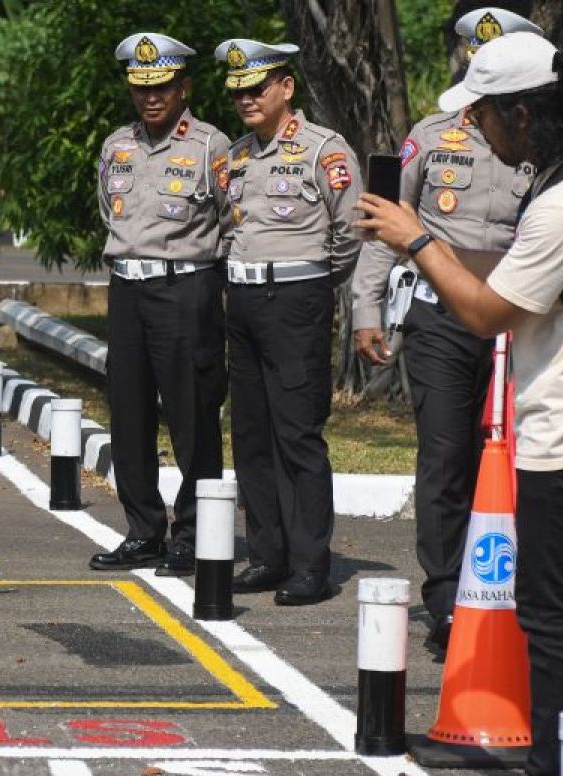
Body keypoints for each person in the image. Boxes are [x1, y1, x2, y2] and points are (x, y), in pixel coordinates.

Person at [357, 32, 563, 776]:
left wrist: (413, 236)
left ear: (521, 114)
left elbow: (487, 312)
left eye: (482, 114)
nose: (475, 130)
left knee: (552, 616)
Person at [350, 6, 541, 654]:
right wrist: (365, 306)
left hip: (520, 322)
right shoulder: (430, 136)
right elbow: (386, 223)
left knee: (523, 459)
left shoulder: (540, 143)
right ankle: (448, 599)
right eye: (469, 54)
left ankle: (515, 592)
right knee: (445, 457)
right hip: (440, 317)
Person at [215, 38, 362, 606]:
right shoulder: (237, 155)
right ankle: (268, 554)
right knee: (250, 434)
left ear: (285, 88)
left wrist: (316, 285)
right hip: (245, 301)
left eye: (256, 89)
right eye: (237, 92)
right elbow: (230, 229)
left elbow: (349, 231)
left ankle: (310, 564)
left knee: (298, 434)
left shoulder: (324, 149)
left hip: (297, 298)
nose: (246, 100)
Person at [87, 34, 230, 577]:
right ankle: (143, 530)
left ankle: (192, 533)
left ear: (183, 88)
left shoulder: (211, 145)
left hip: (185, 289)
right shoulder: (115, 146)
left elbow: (228, 219)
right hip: (127, 288)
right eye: (141, 88)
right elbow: (110, 212)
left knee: (192, 414)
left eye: (163, 88)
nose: (152, 98)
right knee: (129, 411)